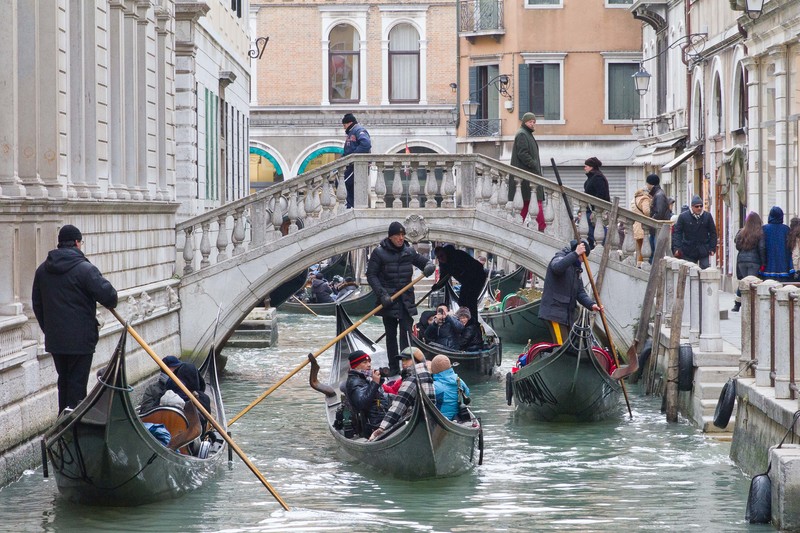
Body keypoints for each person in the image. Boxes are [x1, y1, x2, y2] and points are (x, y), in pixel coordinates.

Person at [32, 225, 118, 413]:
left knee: (64, 382)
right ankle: (74, 424)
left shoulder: (42, 271)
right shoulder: (85, 270)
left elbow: (37, 305)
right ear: (77, 243)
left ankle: (64, 420)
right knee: (77, 386)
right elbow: (110, 297)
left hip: (56, 340)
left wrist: (50, 329)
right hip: (81, 340)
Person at [366, 221, 435, 375]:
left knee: (406, 335)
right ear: (390, 237)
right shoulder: (379, 253)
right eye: (398, 235)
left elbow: (424, 262)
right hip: (388, 300)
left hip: (405, 300)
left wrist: (429, 266)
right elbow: (371, 275)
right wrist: (382, 294)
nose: (401, 238)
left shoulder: (408, 251)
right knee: (391, 335)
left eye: (403, 235)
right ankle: (394, 368)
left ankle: (407, 368)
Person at [538, 239, 600, 345]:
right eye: (582, 258)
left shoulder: (576, 269)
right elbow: (557, 268)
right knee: (562, 346)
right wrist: (575, 254)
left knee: (567, 345)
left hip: (566, 315)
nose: (583, 262)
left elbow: (580, 292)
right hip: (554, 312)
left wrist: (592, 305)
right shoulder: (559, 257)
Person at [369, 347, 435, 441]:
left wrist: (381, 428)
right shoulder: (427, 376)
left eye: (407, 359)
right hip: (428, 424)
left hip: (414, 427)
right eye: (402, 360)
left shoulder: (412, 378)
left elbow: (399, 405)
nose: (403, 362)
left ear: (416, 361)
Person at [432, 244, 487, 325]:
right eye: (439, 257)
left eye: (442, 255)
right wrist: (437, 286)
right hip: (466, 281)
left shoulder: (457, 255)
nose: (441, 258)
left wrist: (457, 269)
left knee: (470, 300)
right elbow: (443, 278)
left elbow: (471, 267)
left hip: (477, 276)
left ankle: (473, 323)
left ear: (445, 253)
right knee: (462, 301)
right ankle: (465, 321)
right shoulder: (443, 264)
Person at [510, 112, 545, 230]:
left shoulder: (526, 134)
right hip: (527, 176)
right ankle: (543, 228)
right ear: (525, 122)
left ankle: (516, 228)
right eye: (530, 122)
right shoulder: (522, 134)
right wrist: (534, 165)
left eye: (534, 122)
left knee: (525, 203)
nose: (532, 124)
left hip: (529, 175)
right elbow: (523, 154)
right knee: (535, 202)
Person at [344, 350, 390, 438]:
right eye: (364, 362)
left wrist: (378, 381)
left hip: (379, 418)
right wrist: (375, 383)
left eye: (369, 362)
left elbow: (375, 395)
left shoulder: (363, 378)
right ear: (355, 365)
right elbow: (362, 403)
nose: (369, 365)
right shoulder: (355, 382)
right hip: (373, 425)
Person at [672, 195, 717, 269]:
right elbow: (677, 233)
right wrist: (677, 248)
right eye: (697, 206)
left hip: (703, 250)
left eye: (701, 206)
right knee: (689, 270)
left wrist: (712, 248)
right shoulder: (683, 217)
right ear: (692, 207)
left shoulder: (707, 216)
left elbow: (713, 233)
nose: (699, 208)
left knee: (705, 269)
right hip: (688, 250)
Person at [732, 212, 764, 312]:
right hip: (754, 261)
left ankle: (737, 304)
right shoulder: (760, 233)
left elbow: (737, 246)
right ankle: (750, 305)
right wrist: (763, 263)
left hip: (741, 261)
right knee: (751, 284)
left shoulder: (741, 232)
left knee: (744, 281)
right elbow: (762, 248)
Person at [341, 113, 372, 209]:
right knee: (351, 186)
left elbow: (366, 144)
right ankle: (351, 206)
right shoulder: (351, 133)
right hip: (352, 165)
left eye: (344, 125)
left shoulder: (359, 130)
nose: (344, 128)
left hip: (357, 165)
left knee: (342, 182)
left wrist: (353, 156)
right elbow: (347, 152)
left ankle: (349, 206)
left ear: (349, 123)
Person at [430, 354, 470, 421]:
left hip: (441, 420)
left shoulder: (435, 386)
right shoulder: (459, 380)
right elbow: (467, 393)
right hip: (458, 418)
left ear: (433, 369)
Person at [583, 157, 610, 249]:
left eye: (586, 166)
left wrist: (595, 210)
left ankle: (600, 247)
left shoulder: (598, 178)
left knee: (599, 229)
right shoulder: (591, 178)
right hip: (590, 209)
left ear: (591, 167)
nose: (584, 168)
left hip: (597, 210)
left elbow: (601, 195)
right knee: (590, 231)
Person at [760, 205, 792, 281]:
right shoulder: (786, 229)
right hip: (783, 266)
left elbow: (762, 246)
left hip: (768, 265)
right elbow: (790, 247)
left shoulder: (764, 229)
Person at [645, 174, 670, 262]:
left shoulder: (659, 195)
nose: (646, 185)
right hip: (655, 230)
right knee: (652, 255)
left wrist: (651, 220)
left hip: (657, 230)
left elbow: (659, 212)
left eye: (647, 183)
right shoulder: (658, 194)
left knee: (655, 255)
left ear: (651, 184)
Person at [630, 187, 651, 266]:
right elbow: (646, 211)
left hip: (636, 225)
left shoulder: (634, 199)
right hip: (643, 225)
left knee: (639, 247)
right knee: (644, 247)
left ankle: (638, 264)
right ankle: (641, 265)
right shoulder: (644, 199)